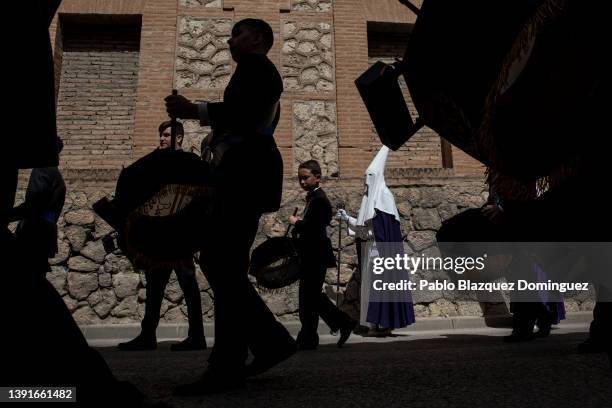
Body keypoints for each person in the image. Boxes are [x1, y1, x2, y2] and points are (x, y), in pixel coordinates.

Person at [165, 18, 297, 395]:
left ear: (257, 38)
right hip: (245, 179)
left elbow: (241, 113)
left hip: (243, 180)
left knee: (220, 262)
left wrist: (196, 110)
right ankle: (251, 350)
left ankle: (240, 357)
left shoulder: (258, 69)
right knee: (223, 263)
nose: (230, 38)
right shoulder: (255, 72)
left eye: (238, 32)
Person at [118, 121, 206, 351]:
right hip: (160, 235)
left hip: (180, 235)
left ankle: (197, 335)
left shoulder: (187, 162)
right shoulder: (155, 163)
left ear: (179, 138)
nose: (162, 139)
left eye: (167, 135)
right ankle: (148, 335)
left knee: (187, 282)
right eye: (161, 135)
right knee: (155, 284)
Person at [336, 146, 415, 335]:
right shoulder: (368, 199)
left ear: (378, 177)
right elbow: (366, 227)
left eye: (371, 176)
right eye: (367, 176)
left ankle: (382, 324)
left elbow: (383, 231)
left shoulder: (385, 198)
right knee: (370, 288)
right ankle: (374, 324)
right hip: (371, 250)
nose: (367, 180)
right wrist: (348, 219)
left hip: (381, 253)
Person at [288, 160, 356, 350]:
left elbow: (316, 225)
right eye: (300, 179)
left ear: (317, 178)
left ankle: (337, 324)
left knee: (309, 297)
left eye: (305, 178)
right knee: (309, 297)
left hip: (315, 255)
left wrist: (296, 222)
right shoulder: (313, 198)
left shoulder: (319, 199)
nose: (302, 182)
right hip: (312, 254)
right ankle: (311, 336)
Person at [10, 137, 66, 274]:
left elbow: (33, 205)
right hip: (44, 236)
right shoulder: (55, 174)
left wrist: (8, 216)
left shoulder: (43, 170)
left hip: (33, 236)